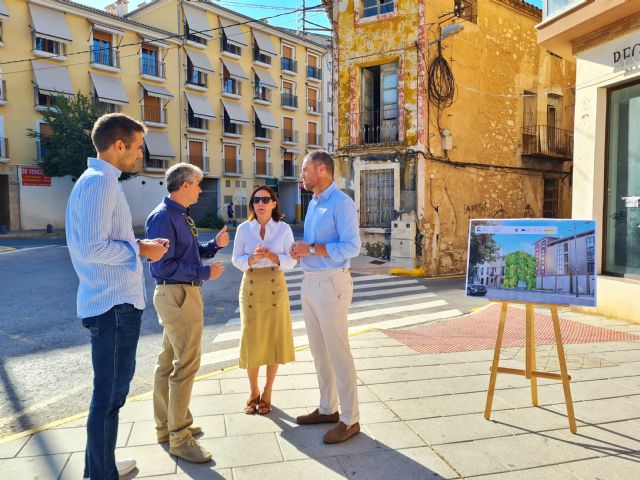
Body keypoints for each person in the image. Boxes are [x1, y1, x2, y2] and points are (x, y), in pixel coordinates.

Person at [66, 113, 169, 480]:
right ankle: (101, 475)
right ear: (119, 145)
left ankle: (100, 467)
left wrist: (140, 245)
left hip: (110, 303)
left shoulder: (97, 181)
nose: (140, 154)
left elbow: (97, 243)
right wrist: (140, 250)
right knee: (109, 398)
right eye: (137, 147)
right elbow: (93, 248)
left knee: (109, 397)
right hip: (113, 305)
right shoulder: (100, 184)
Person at [145, 163, 229, 463]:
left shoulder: (178, 214)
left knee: (168, 362)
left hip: (180, 293)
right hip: (178, 294)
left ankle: (167, 426)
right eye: (197, 183)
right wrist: (205, 272)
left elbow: (187, 252)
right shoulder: (163, 217)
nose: (200, 188)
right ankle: (179, 437)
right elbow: (161, 265)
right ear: (183, 185)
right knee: (186, 364)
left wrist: (213, 247)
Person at [290, 150, 362, 444]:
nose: (302, 174)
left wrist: (312, 249)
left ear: (322, 170)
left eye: (305, 169)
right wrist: (300, 250)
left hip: (332, 283)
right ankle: (327, 408)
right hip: (310, 282)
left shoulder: (341, 203)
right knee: (319, 351)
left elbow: (351, 247)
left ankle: (350, 418)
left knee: (338, 352)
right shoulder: (314, 204)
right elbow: (313, 246)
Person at [232, 185, 296, 415]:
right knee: (251, 340)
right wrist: (251, 258)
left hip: (274, 286)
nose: (260, 203)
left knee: (273, 339)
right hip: (250, 286)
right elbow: (236, 260)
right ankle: (253, 391)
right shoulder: (243, 229)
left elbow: (291, 261)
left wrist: (270, 255)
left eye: (265, 199)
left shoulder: (283, 228)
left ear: (273, 203)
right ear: (252, 204)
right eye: (256, 199)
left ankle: (268, 391)